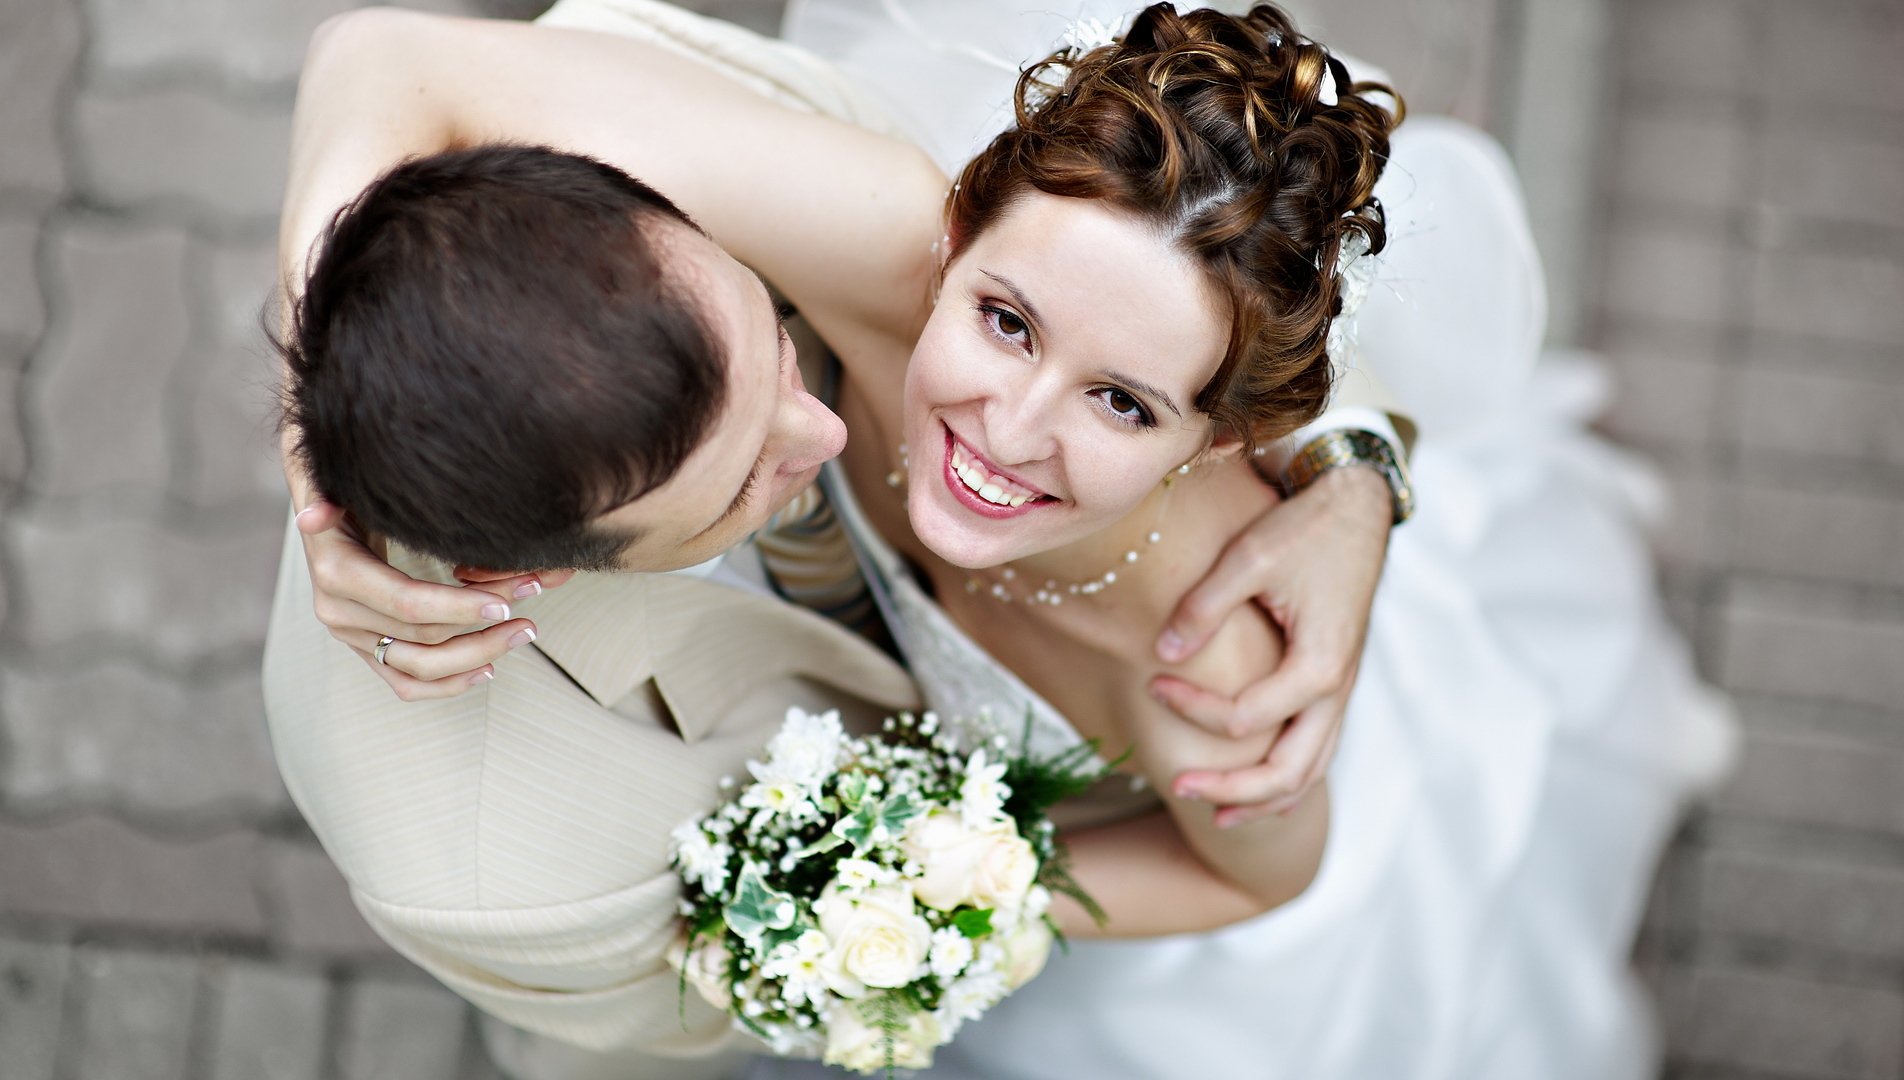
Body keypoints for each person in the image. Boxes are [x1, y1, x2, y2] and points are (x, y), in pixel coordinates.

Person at [272, 2, 1734, 1077]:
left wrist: (951, 893)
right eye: (1006, 321)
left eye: (1119, 400)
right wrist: (330, 453)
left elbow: (1256, 875)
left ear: (1218, 438)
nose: (1005, 431)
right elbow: (387, 59)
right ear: (962, 233)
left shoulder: (1211, 652)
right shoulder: (889, 252)